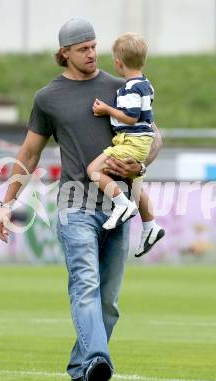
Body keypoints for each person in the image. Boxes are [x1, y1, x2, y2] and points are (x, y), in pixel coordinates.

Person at [0, 18, 162, 381]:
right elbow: (29, 154)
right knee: (85, 285)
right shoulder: (47, 98)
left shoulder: (122, 87)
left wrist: (141, 162)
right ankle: (99, 361)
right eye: (83, 48)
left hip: (121, 203)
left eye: (94, 46)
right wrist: (6, 203)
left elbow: (154, 136)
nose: (91, 54)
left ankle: (80, 367)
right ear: (64, 53)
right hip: (74, 205)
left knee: (108, 303)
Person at [87, 32, 165, 257]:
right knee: (134, 182)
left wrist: (106, 110)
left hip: (132, 141)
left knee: (93, 170)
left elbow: (130, 117)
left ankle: (121, 204)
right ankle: (151, 227)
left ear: (118, 63)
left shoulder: (130, 87)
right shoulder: (145, 84)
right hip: (142, 141)